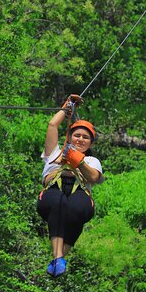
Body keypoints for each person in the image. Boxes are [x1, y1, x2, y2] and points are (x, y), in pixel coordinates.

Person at [37, 95, 104, 277]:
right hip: (53, 191)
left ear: (90, 143)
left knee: (76, 207)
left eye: (85, 137)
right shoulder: (54, 153)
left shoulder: (91, 160)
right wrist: (66, 108)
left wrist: (78, 162)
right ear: (70, 136)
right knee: (58, 201)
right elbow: (52, 126)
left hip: (79, 194)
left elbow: (93, 177)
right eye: (77, 135)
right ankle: (58, 258)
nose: (80, 139)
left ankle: (59, 259)